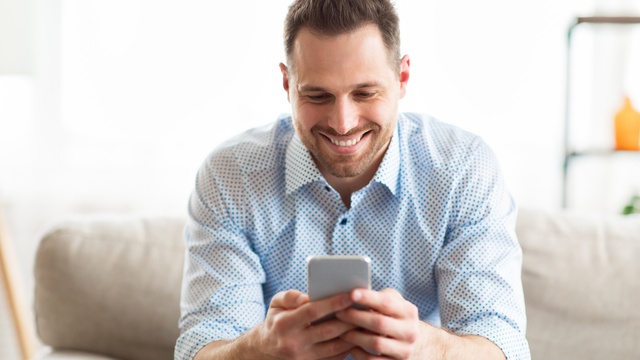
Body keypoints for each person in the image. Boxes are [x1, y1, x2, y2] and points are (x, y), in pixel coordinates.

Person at [175, 0, 530, 359]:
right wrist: (258, 350)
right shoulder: (230, 176)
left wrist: (426, 347)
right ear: (287, 83)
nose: (343, 123)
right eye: (317, 95)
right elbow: (200, 346)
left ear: (403, 77)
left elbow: (502, 344)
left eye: (365, 93)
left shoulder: (462, 169)